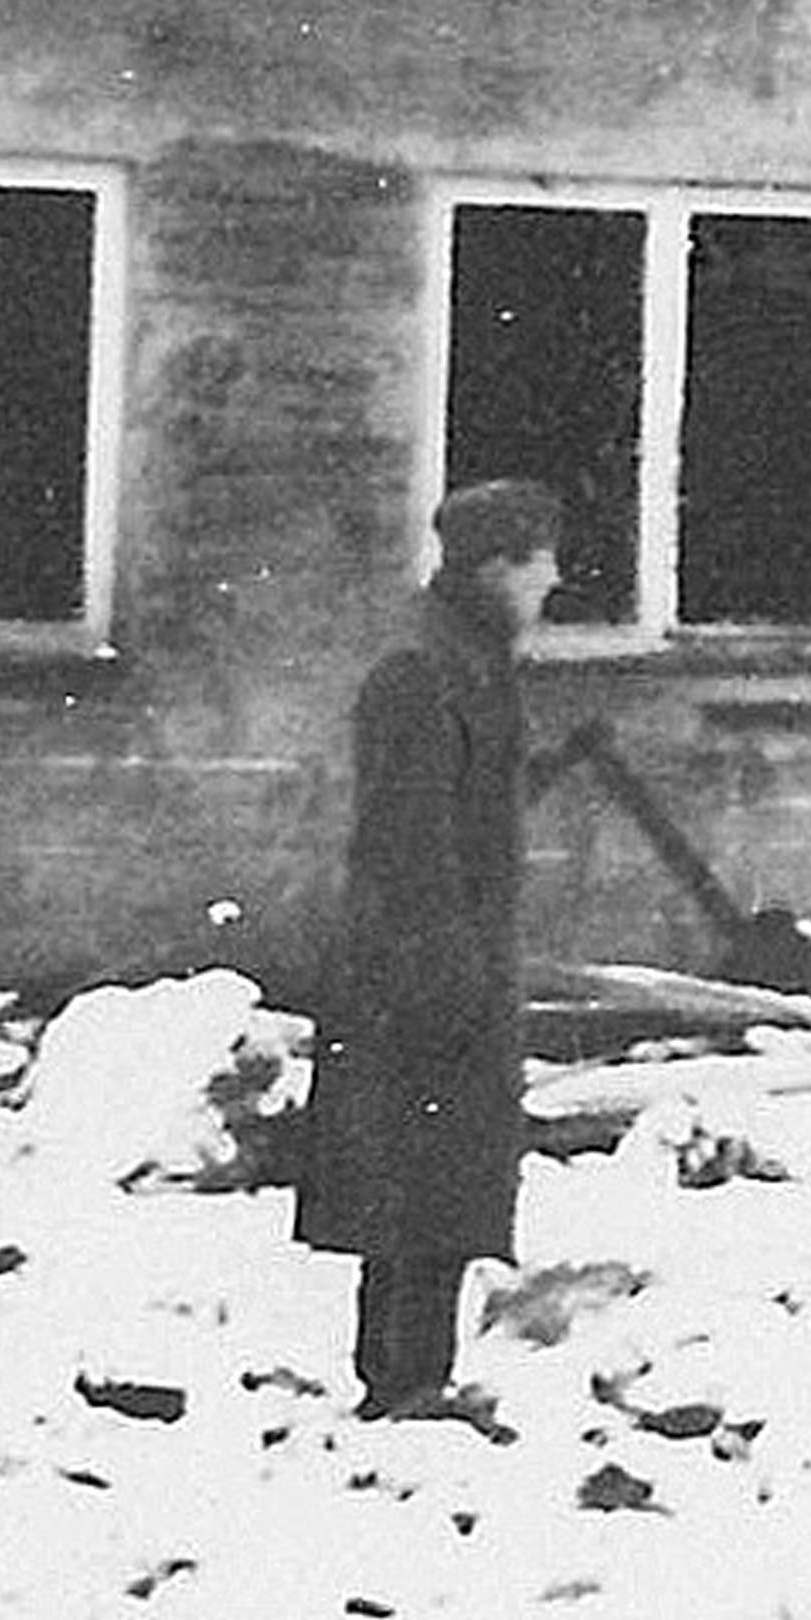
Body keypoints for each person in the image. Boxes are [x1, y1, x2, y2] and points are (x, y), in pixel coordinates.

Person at [303, 474, 559, 1412]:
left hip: (446, 960)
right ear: (495, 567)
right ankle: (402, 1382)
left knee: (433, 1179)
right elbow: (406, 840)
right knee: (418, 1178)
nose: (552, 581)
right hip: (420, 967)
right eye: (540, 564)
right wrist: (447, 973)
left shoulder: (467, 660)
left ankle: (411, 1376)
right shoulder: (424, 670)